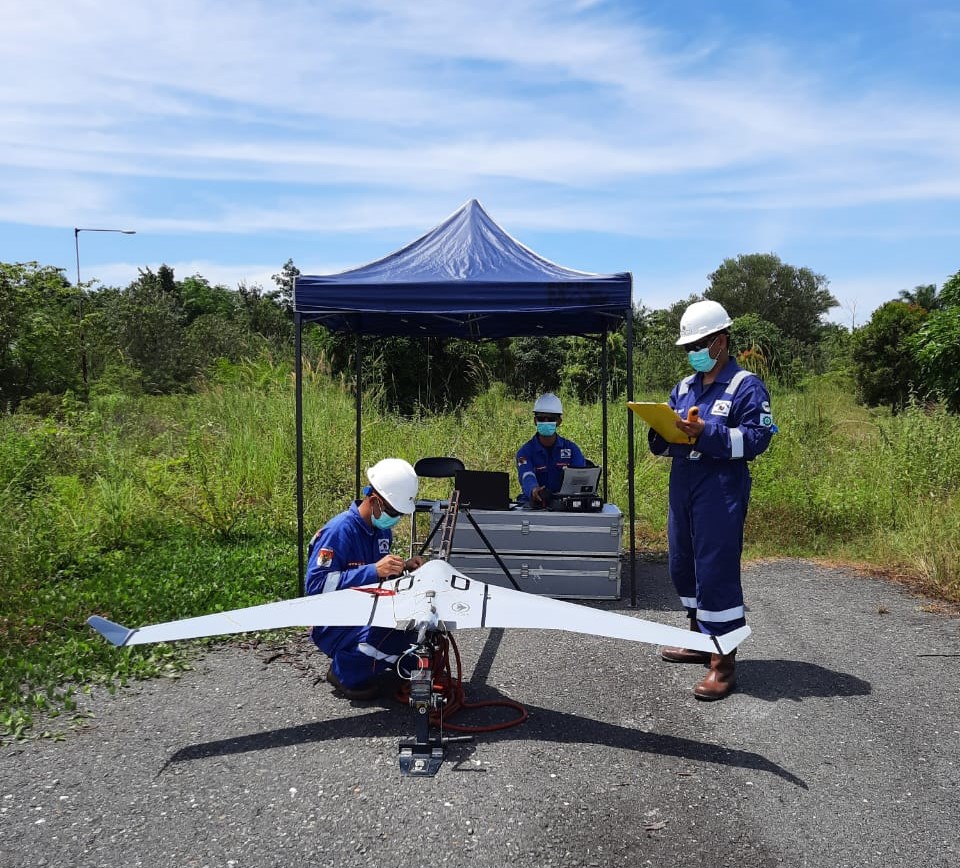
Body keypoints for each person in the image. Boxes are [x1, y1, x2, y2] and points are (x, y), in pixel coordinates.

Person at [648, 300, 775, 700]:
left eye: (699, 344)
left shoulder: (745, 386)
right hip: (683, 484)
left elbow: (758, 438)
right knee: (682, 563)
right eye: (688, 347)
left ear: (720, 341)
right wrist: (661, 429)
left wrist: (705, 435)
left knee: (715, 569)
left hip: (720, 489)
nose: (692, 353)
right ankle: (697, 639)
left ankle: (723, 663)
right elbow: (670, 434)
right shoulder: (684, 387)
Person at [304, 458, 424, 700]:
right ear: (375, 501)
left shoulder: (381, 530)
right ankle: (343, 672)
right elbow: (316, 588)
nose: (395, 519)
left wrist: (403, 567)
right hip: (333, 622)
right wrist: (372, 571)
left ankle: (373, 657)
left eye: (400, 514)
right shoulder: (338, 531)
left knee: (414, 640)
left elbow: (379, 574)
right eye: (393, 512)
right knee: (388, 646)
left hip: (366, 610)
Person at [515, 392, 587, 508]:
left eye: (551, 418)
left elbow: (581, 477)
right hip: (535, 505)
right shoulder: (524, 452)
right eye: (541, 418)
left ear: (559, 421)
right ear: (535, 421)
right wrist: (534, 490)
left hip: (565, 505)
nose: (546, 421)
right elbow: (526, 474)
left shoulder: (572, 450)